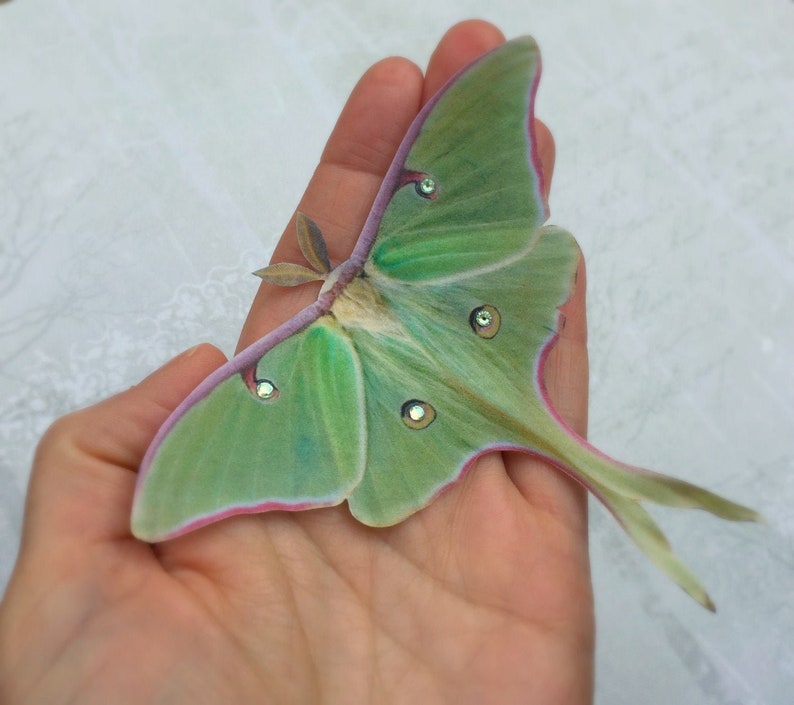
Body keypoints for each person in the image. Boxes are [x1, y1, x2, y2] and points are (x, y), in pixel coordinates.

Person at [0, 20, 593, 704]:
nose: (335, 286)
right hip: (455, 342)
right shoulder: (305, 343)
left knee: (546, 437)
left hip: (437, 364)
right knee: (559, 443)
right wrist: (187, 470)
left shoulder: (313, 329)